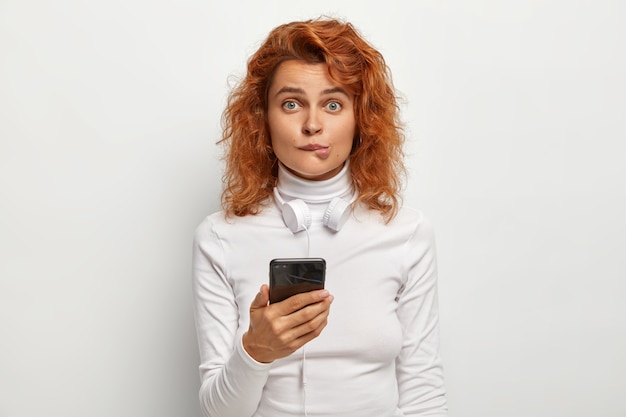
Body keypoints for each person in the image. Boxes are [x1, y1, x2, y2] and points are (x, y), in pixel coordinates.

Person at [192, 17, 447, 417]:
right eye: (291, 103)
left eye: (333, 104)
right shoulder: (219, 237)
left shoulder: (407, 233)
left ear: (361, 117)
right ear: (263, 118)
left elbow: (424, 394)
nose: (312, 124)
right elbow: (219, 411)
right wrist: (256, 352)